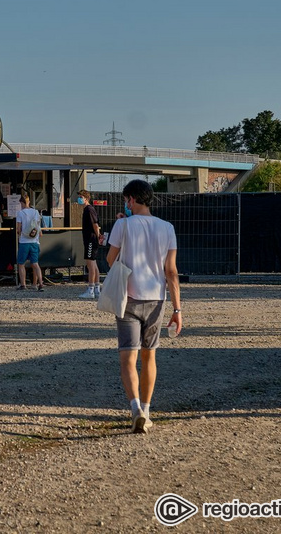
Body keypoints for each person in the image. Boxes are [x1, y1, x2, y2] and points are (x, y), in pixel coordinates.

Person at [106, 179, 181, 434]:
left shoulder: (122, 224)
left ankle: (135, 408)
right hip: (157, 300)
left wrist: (122, 229)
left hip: (128, 298)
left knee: (128, 357)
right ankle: (147, 412)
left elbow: (110, 258)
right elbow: (171, 271)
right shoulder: (167, 227)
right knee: (150, 356)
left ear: (131, 200)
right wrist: (178, 310)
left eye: (126, 199)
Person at [78, 190, 104, 299]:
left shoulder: (89, 209)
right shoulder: (89, 209)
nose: (79, 199)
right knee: (94, 263)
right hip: (91, 239)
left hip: (90, 239)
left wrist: (98, 236)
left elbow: (95, 224)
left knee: (90, 264)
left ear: (86, 198)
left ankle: (91, 289)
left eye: (80, 197)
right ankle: (97, 289)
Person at [15, 194, 43, 291]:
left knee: (21, 263)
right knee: (35, 264)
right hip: (35, 242)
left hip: (24, 242)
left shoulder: (20, 213)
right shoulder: (36, 212)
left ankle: (23, 285)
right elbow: (39, 230)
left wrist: (20, 232)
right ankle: (39, 283)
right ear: (29, 202)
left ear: (22, 203)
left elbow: (18, 229)